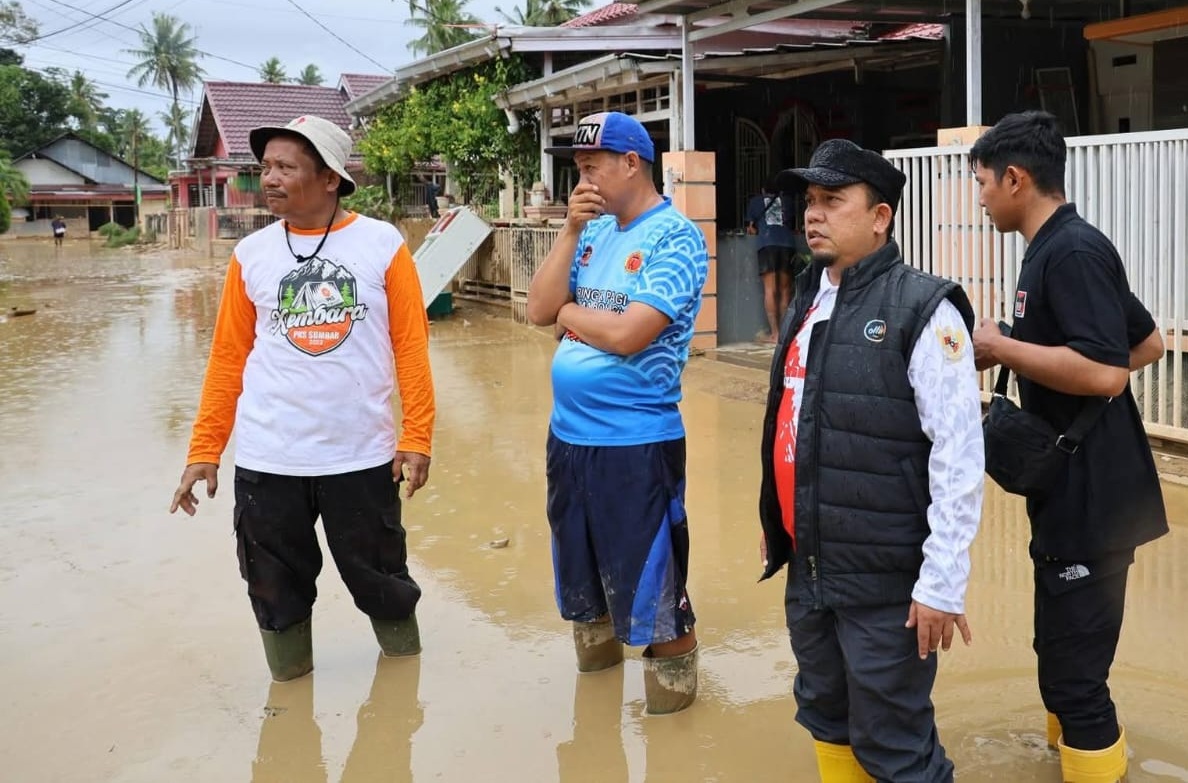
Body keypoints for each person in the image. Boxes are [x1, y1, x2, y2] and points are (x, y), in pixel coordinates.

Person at [168, 115, 435, 683]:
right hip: (269, 460)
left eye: (286, 167)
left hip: (360, 458)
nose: (269, 178)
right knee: (273, 589)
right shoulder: (251, 254)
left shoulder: (382, 245)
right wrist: (204, 449)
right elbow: (227, 359)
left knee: (382, 580)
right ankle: (290, 705)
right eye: (266, 167)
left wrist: (416, 436)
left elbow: (411, 347)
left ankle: (403, 696)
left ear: (330, 178)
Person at [757, 138, 984, 781]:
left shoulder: (923, 308)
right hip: (811, 568)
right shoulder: (807, 294)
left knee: (897, 747)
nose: (813, 214)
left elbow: (960, 455)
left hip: (888, 584)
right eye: (809, 200)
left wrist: (941, 584)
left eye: (833, 200)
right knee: (826, 714)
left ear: (881, 216)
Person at [969, 111, 1167, 781]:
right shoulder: (1057, 245)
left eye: (983, 182)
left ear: (1016, 178)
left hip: (1097, 499)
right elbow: (1145, 342)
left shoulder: (1072, 250)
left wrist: (1001, 347)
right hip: (1078, 491)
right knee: (1058, 657)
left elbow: (1110, 367)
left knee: (1078, 681)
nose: (981, 196)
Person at [526, 111, 709, 715]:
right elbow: (536, 309)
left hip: (636, 445)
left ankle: (672, 721)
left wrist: (571, 318)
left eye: (591, 167)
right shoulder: (593, 233)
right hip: (569, 443)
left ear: (632, 163)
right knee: (582, 586)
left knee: (655, 594)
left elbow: (631, 334)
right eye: (576, 169)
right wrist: (568, 235)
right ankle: (595, 726)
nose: (581, 181)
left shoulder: (676, 238)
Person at [745, 179, 805, 342]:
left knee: (770, 290)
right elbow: (790, 222)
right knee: (785, 290)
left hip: (767, 244)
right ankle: (785, 334)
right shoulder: (787, 201)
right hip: (787, 244)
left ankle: (775, 333)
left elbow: (751, 229)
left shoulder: (756, 202)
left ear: (763, 190)